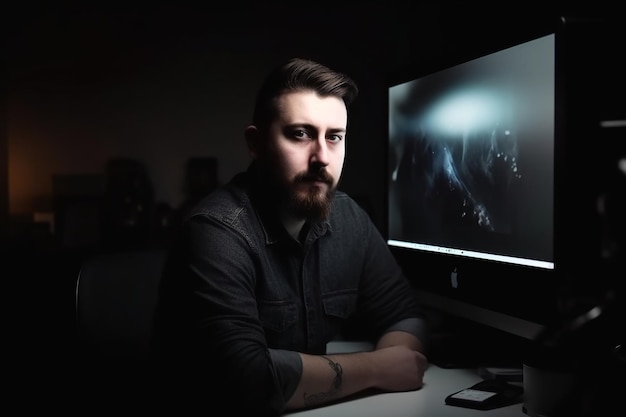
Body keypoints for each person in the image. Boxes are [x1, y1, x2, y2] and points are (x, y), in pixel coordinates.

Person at [151, 57, 430, 415]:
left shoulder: (349, 218)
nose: (322, 157)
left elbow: (404, 314)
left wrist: (397, 362)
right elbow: (247, 380)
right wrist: (378, 369)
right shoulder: (215, 232)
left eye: (334, 137)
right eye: (300, 134)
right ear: (256, 142)